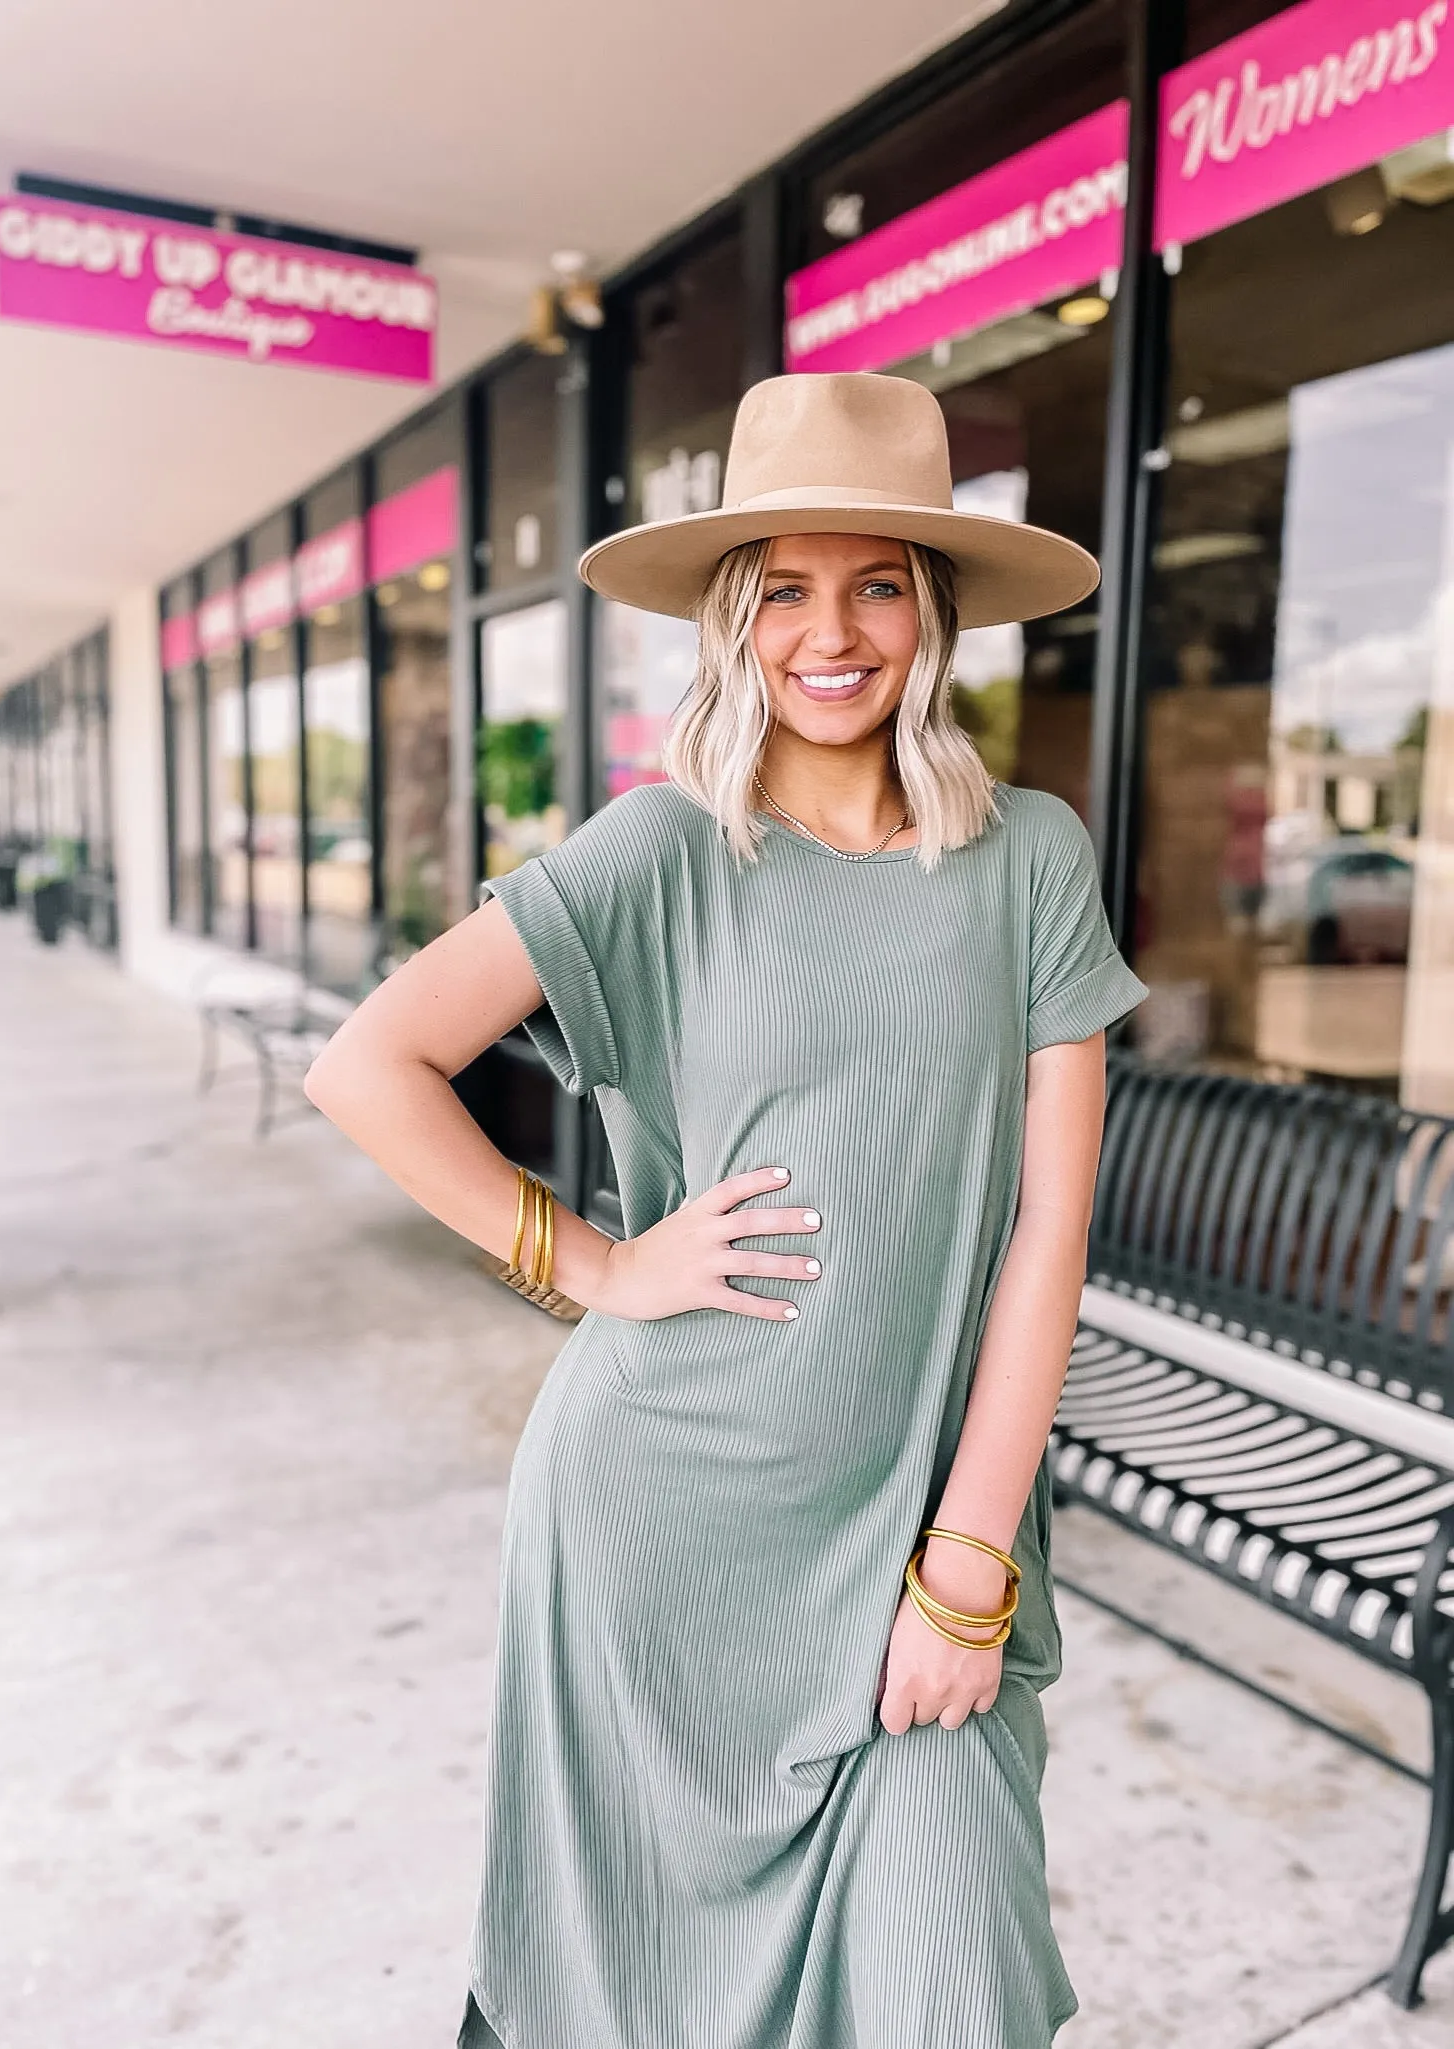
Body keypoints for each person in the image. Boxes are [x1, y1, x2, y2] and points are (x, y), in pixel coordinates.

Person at [305, 370, 1149, 2049]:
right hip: (659, 1522)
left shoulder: (1033, 856)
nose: (829, 634)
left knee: (951, 1991)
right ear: (730, 619)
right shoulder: (660, 852)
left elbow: (1050, 1224)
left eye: (877, 583)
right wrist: (596, 1267)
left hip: (918, 1525)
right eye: (783, 590)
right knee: (623, 1991)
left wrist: (970, 1556)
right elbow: (373, 1062)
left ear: (938, 611)